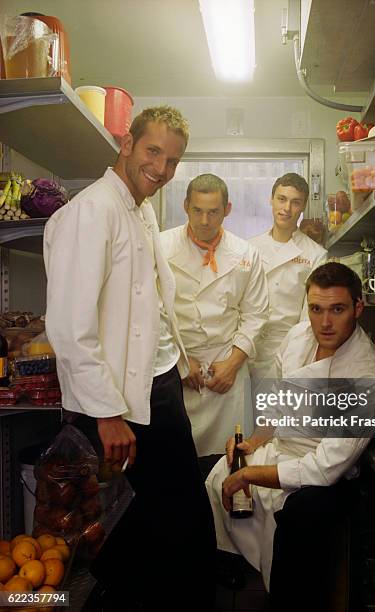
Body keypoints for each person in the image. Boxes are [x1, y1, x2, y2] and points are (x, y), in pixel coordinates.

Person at [44, 106, 216, 611]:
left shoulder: (139, 208)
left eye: (172, 160)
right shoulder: (92, 211)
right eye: (153, 151)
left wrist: (179, 368)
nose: (161, 168)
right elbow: (71, 326)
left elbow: (151, 304)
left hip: (156, 388)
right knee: (146, 526)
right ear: (126, 143)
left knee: (166, 520)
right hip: (119, 405)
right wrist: (107, 413)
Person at [206, 262, 375, 610]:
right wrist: (253, 443)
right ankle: (234, 569)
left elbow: (325, 468)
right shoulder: (299, 336)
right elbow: (280, 404)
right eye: (316, 309)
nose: (324, 323)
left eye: (337, 309)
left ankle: (288, 598)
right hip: (284, 446)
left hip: (330, 476)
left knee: (298, 517)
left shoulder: (366, 374)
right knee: (217, 475)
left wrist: (251, 473)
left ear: (358, 308)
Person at [159, 174, 269, 456]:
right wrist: (182, 362)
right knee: (179, 461)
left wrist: (232, 365)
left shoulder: (247, 254)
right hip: (178, 369)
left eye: (213, 212)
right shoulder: (160, 246)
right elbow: (153, 313)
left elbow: (256, 314)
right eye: (197, 210)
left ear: (227, 210)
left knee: (230, 458)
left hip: (228, 373)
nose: (205, 220)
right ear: (185, 206)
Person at [249, 173, 327, 379]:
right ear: (271, 199)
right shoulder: (250, 248)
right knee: (244, 410)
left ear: (303, 206)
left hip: (287, 348)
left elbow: (308, 316)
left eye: (295, 202)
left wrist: (295, 358)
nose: (286, 209)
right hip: (248, 346)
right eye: (281, 199)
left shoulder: (315, 255)